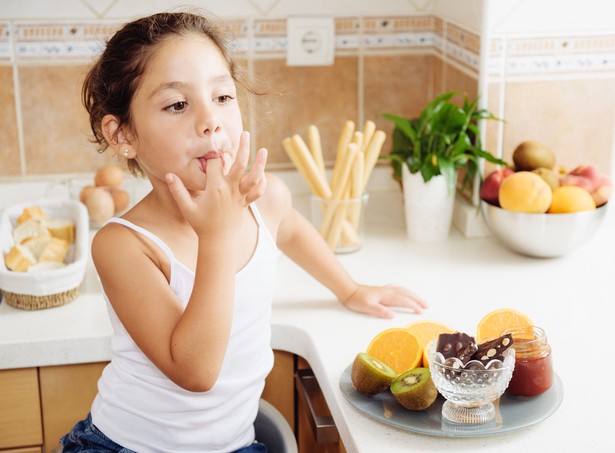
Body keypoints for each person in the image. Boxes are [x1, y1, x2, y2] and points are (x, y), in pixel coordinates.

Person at [61, 10, 427, 453]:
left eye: (222, 97)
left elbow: (290, 228)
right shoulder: (124, 244)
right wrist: (217, 236)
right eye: (177, 104)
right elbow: (195, 371)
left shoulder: (262, 199)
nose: (210, 121)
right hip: (125, 446)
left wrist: (348, 289)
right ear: (123, 134)